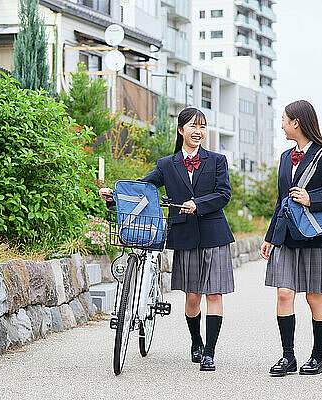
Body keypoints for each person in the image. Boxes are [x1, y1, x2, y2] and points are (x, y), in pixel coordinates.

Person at [100, 107, 235, 371]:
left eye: (203, 127)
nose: (199, 132)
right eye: (194, 126)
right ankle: (196, 342)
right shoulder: (166, 164)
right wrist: (114, 196)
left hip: (214, 233)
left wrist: (198, 203)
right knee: (193, 297)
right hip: (184, 236)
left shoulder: (217, 160)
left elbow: (223, 194)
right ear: (181, 129)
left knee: (214, 295)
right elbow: (143, 189)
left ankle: (209, 352)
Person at [260, 100, 322, 376]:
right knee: (284, 293)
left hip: (315, 237)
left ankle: (318, 357)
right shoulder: (286, 157)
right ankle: (288, 357)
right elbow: (281, 201)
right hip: (287, 236)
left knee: (314, 298)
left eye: (284, 120)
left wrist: (313, 199)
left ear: (296, 123)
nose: (281, 124)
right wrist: (269, 237)